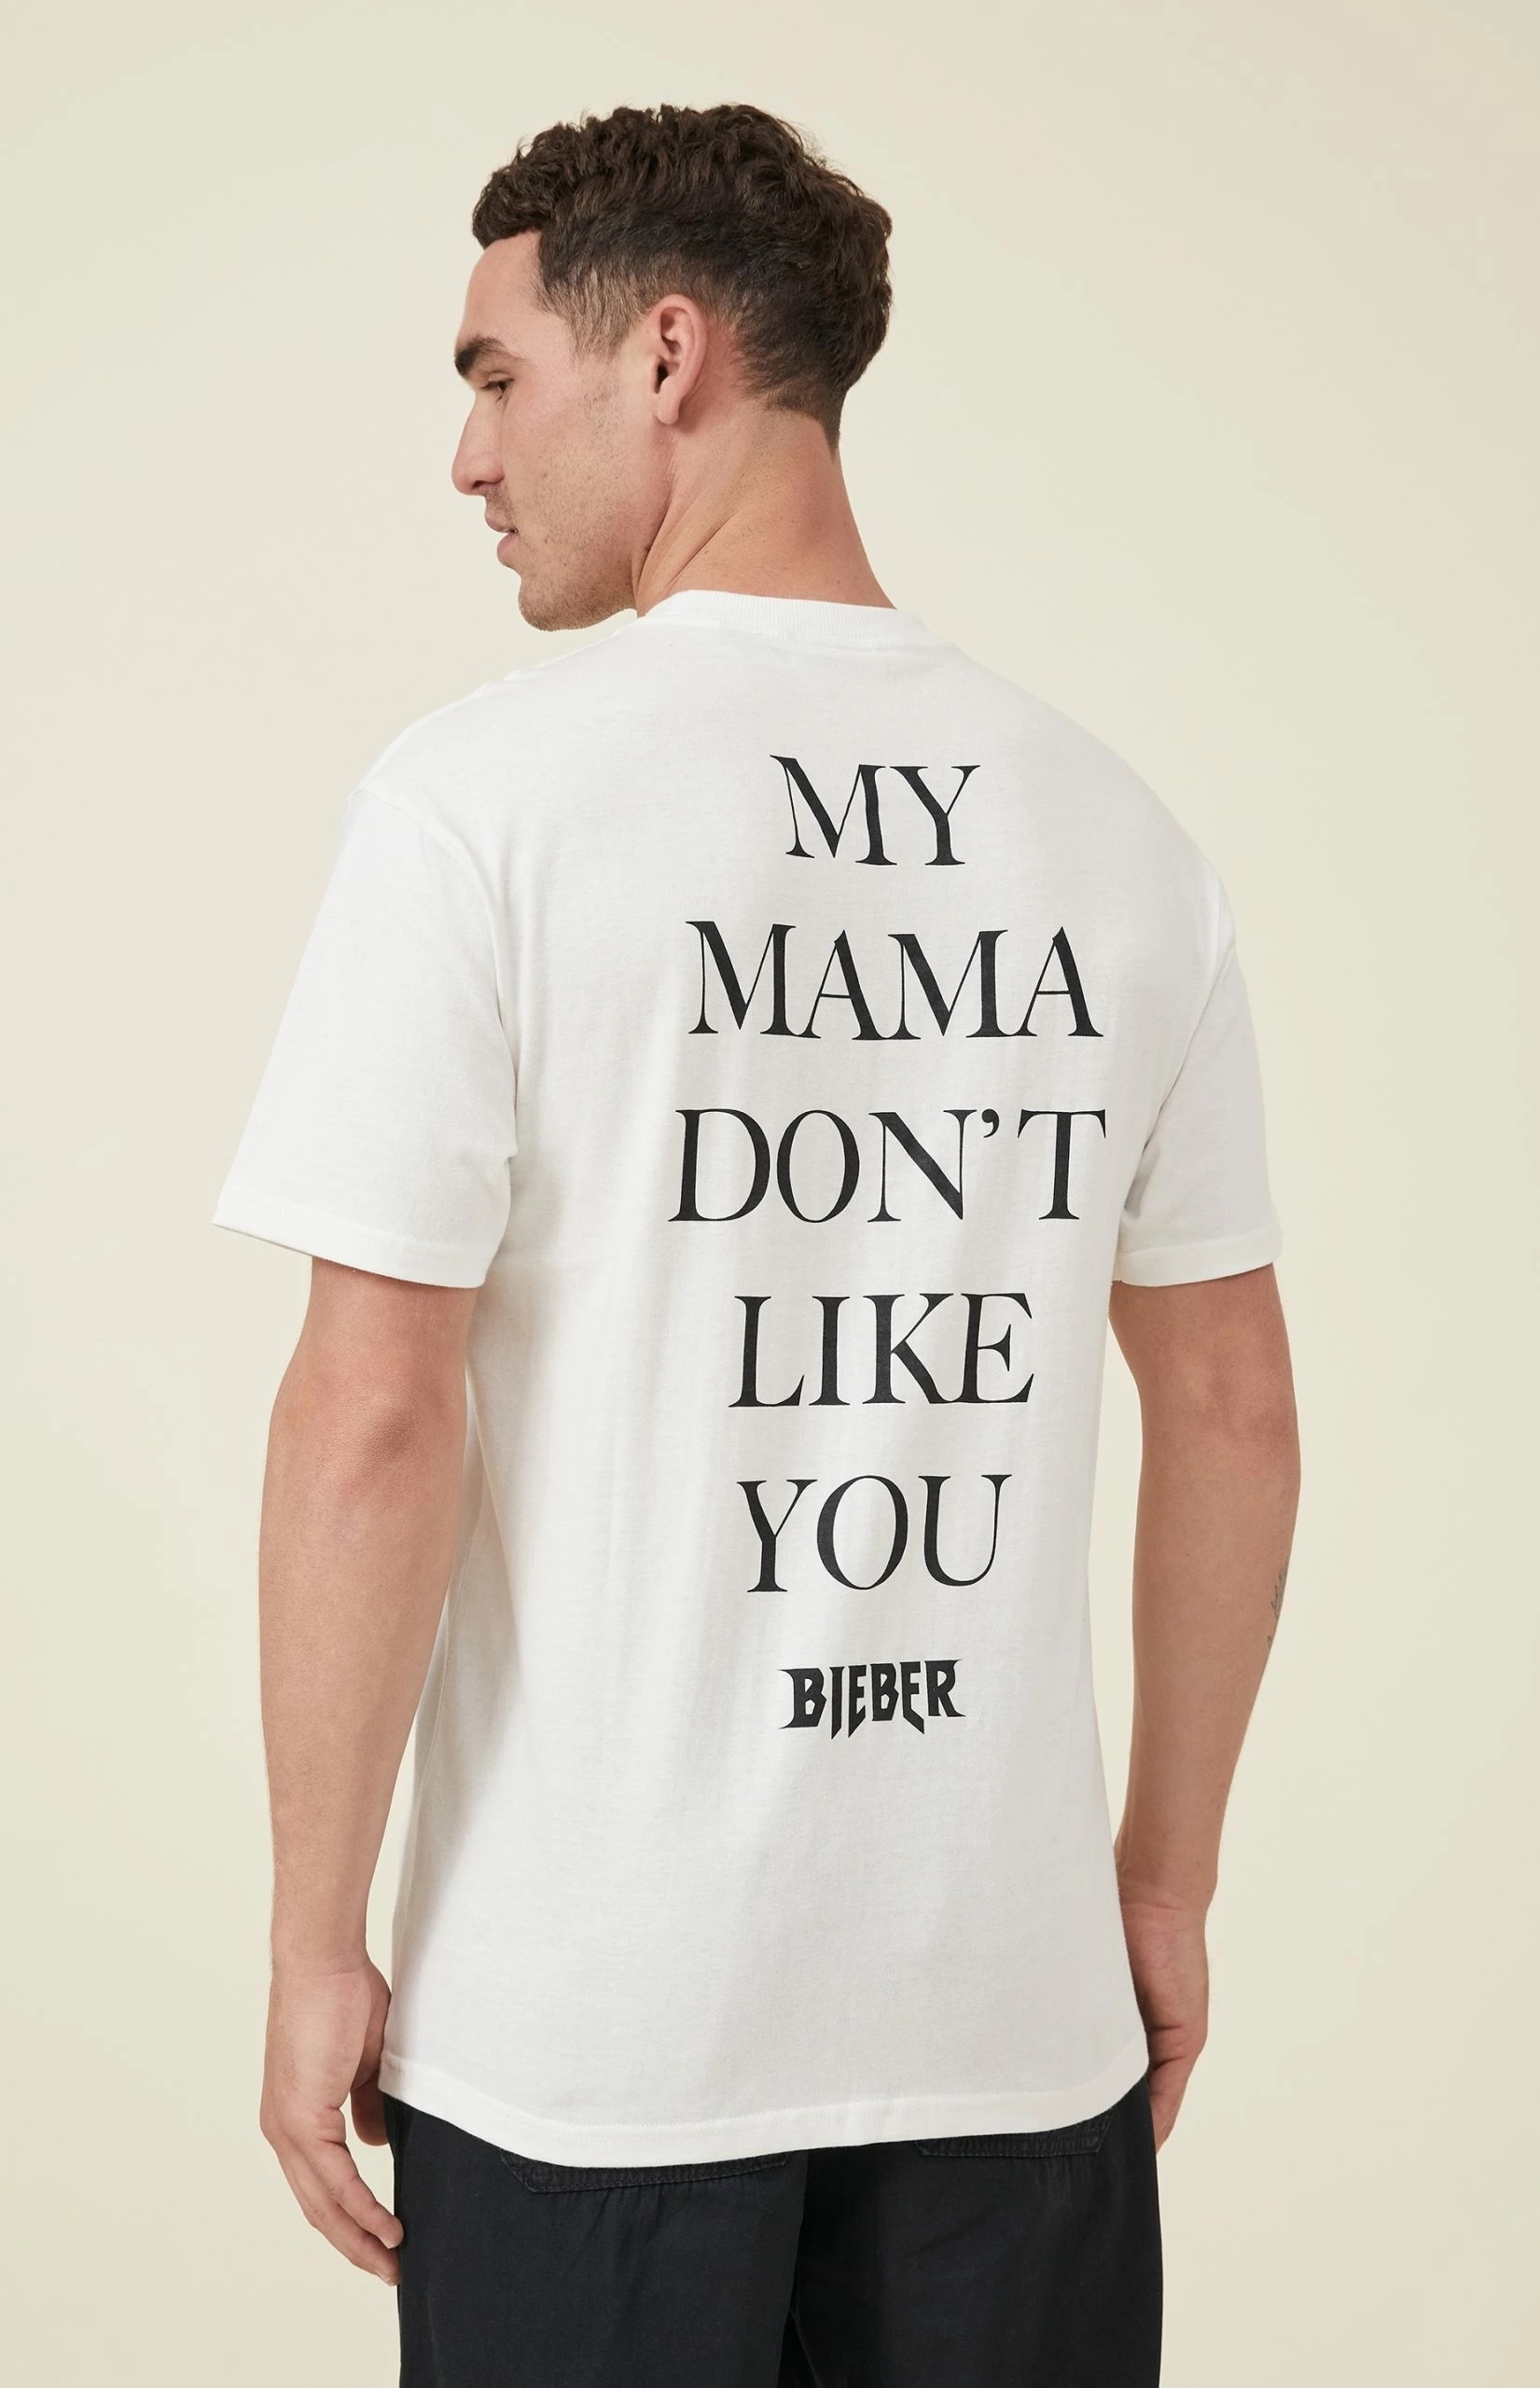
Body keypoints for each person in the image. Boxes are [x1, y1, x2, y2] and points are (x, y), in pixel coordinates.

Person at [215, 99, 1300, 2388]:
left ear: (667, 355)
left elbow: (374, 1412)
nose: (464, 453)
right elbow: (1228, 1402)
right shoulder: (1119, 836)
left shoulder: (479, 807)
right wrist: (1160, 1881)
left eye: (495, 374)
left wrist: (315, 1934)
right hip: (1010, 2033)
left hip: (593, 2050)